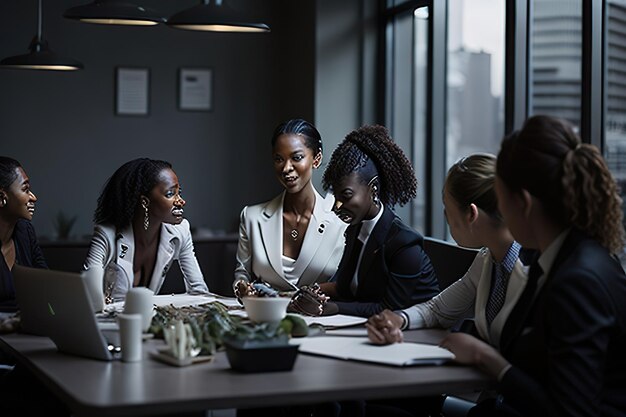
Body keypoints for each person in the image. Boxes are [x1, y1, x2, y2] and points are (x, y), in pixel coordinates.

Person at [440, 115, 626, 416]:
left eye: (500, 201)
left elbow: (571, 412)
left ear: (523, 203)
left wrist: (490, 360)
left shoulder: (577, 280)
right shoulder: (556, 258)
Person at [367, 153, 532, 351]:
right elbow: (437, 309)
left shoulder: (534, 271)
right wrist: (399, 319)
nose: (445, 217)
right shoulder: (487, 259)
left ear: (471, 214)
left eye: (446, 208)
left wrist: (480, 354)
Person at [321, 124, 439, 317]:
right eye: (335, 198)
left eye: (346, 196)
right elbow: (348, 289)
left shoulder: (404, 244)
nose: (337, 206)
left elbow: (389, 309)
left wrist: (336, 308)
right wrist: (315, 292)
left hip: (413, 336)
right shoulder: (355, 230)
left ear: (373, 189)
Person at [233, 118, 346, 294]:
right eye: (279, 159)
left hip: (323, 319)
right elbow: (242, 275)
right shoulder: (251, 217)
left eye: (297, 157)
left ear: (316, 159)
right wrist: (242, 288)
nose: (286, 168)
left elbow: (348, 285)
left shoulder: (341, 223)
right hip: (265, 317)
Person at [83, 158, 209, 302]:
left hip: (150, 321)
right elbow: (89, 295)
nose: (181, 201)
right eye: (170, 194)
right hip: (109, 322)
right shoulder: (107, 234)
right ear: (145, 202)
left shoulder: (180, 231)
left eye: (178, 192)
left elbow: (199, 292)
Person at [0, 157, 46, 315]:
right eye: (25, 190)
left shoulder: (25, 232)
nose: (33, 197)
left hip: (25, 329)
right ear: (2, 197)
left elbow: (46, 286)